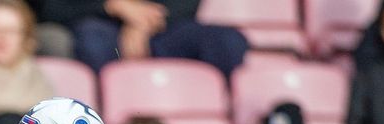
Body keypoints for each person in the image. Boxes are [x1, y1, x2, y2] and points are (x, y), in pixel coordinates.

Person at [45, 0, 248, 77]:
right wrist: (114, 6)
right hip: (101, 23)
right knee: (92, 41)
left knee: (228, 41)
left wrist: (142, 23)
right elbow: (50, 8)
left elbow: (188, 4)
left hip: (164, 25)